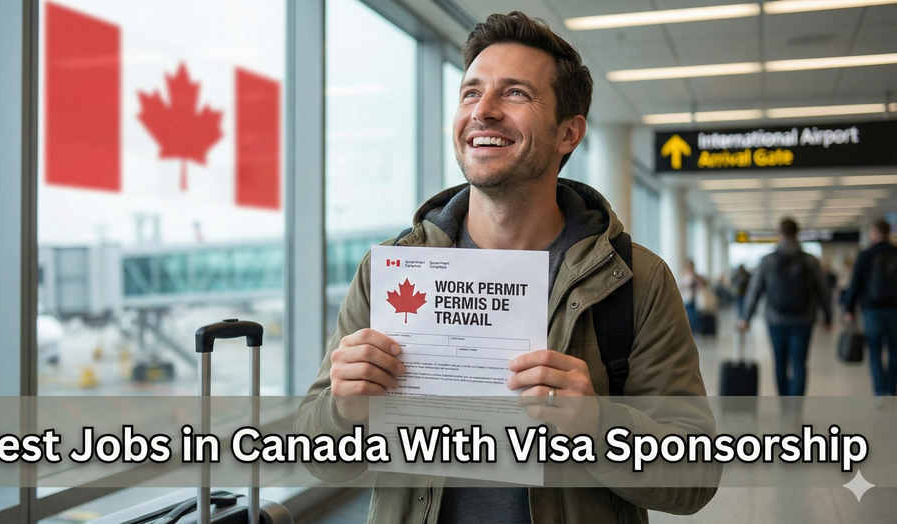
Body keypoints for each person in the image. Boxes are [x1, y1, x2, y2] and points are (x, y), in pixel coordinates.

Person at [296, 12, 719, 523]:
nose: (484, 111)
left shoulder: (634, 280)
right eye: (471, 92)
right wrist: (345, 411)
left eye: (515, 93)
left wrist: (597, 427)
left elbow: (695, 478)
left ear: (569, 133)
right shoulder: (391, 271)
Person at [738, 218, 832, 396]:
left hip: (775, 319)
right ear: (797, 234)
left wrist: (745, 317)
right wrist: (828, 316)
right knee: (799, 364)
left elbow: (754, 290)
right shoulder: (809, 261)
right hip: (804, 319)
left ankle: (784, 403)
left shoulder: (768, 260)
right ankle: (795, 408)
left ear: (779, 234)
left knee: (780, 363)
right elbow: (823, 290)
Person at [844, 220, 897, 396]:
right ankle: (891, 390)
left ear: (874, 233)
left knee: (874, 351)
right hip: (895, 311)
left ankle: (879, 391)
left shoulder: (866, 255)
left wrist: (849, 309)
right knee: (894, 351)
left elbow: (855, 284)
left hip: (871, 310)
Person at [678, 260, 706, 332]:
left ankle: (691, 329)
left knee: (691, 314)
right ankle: (689, 328)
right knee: (688, 314)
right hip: (685, 297)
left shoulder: (693, 276)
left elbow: (700, 285)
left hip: (690, 298)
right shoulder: (686, 275)